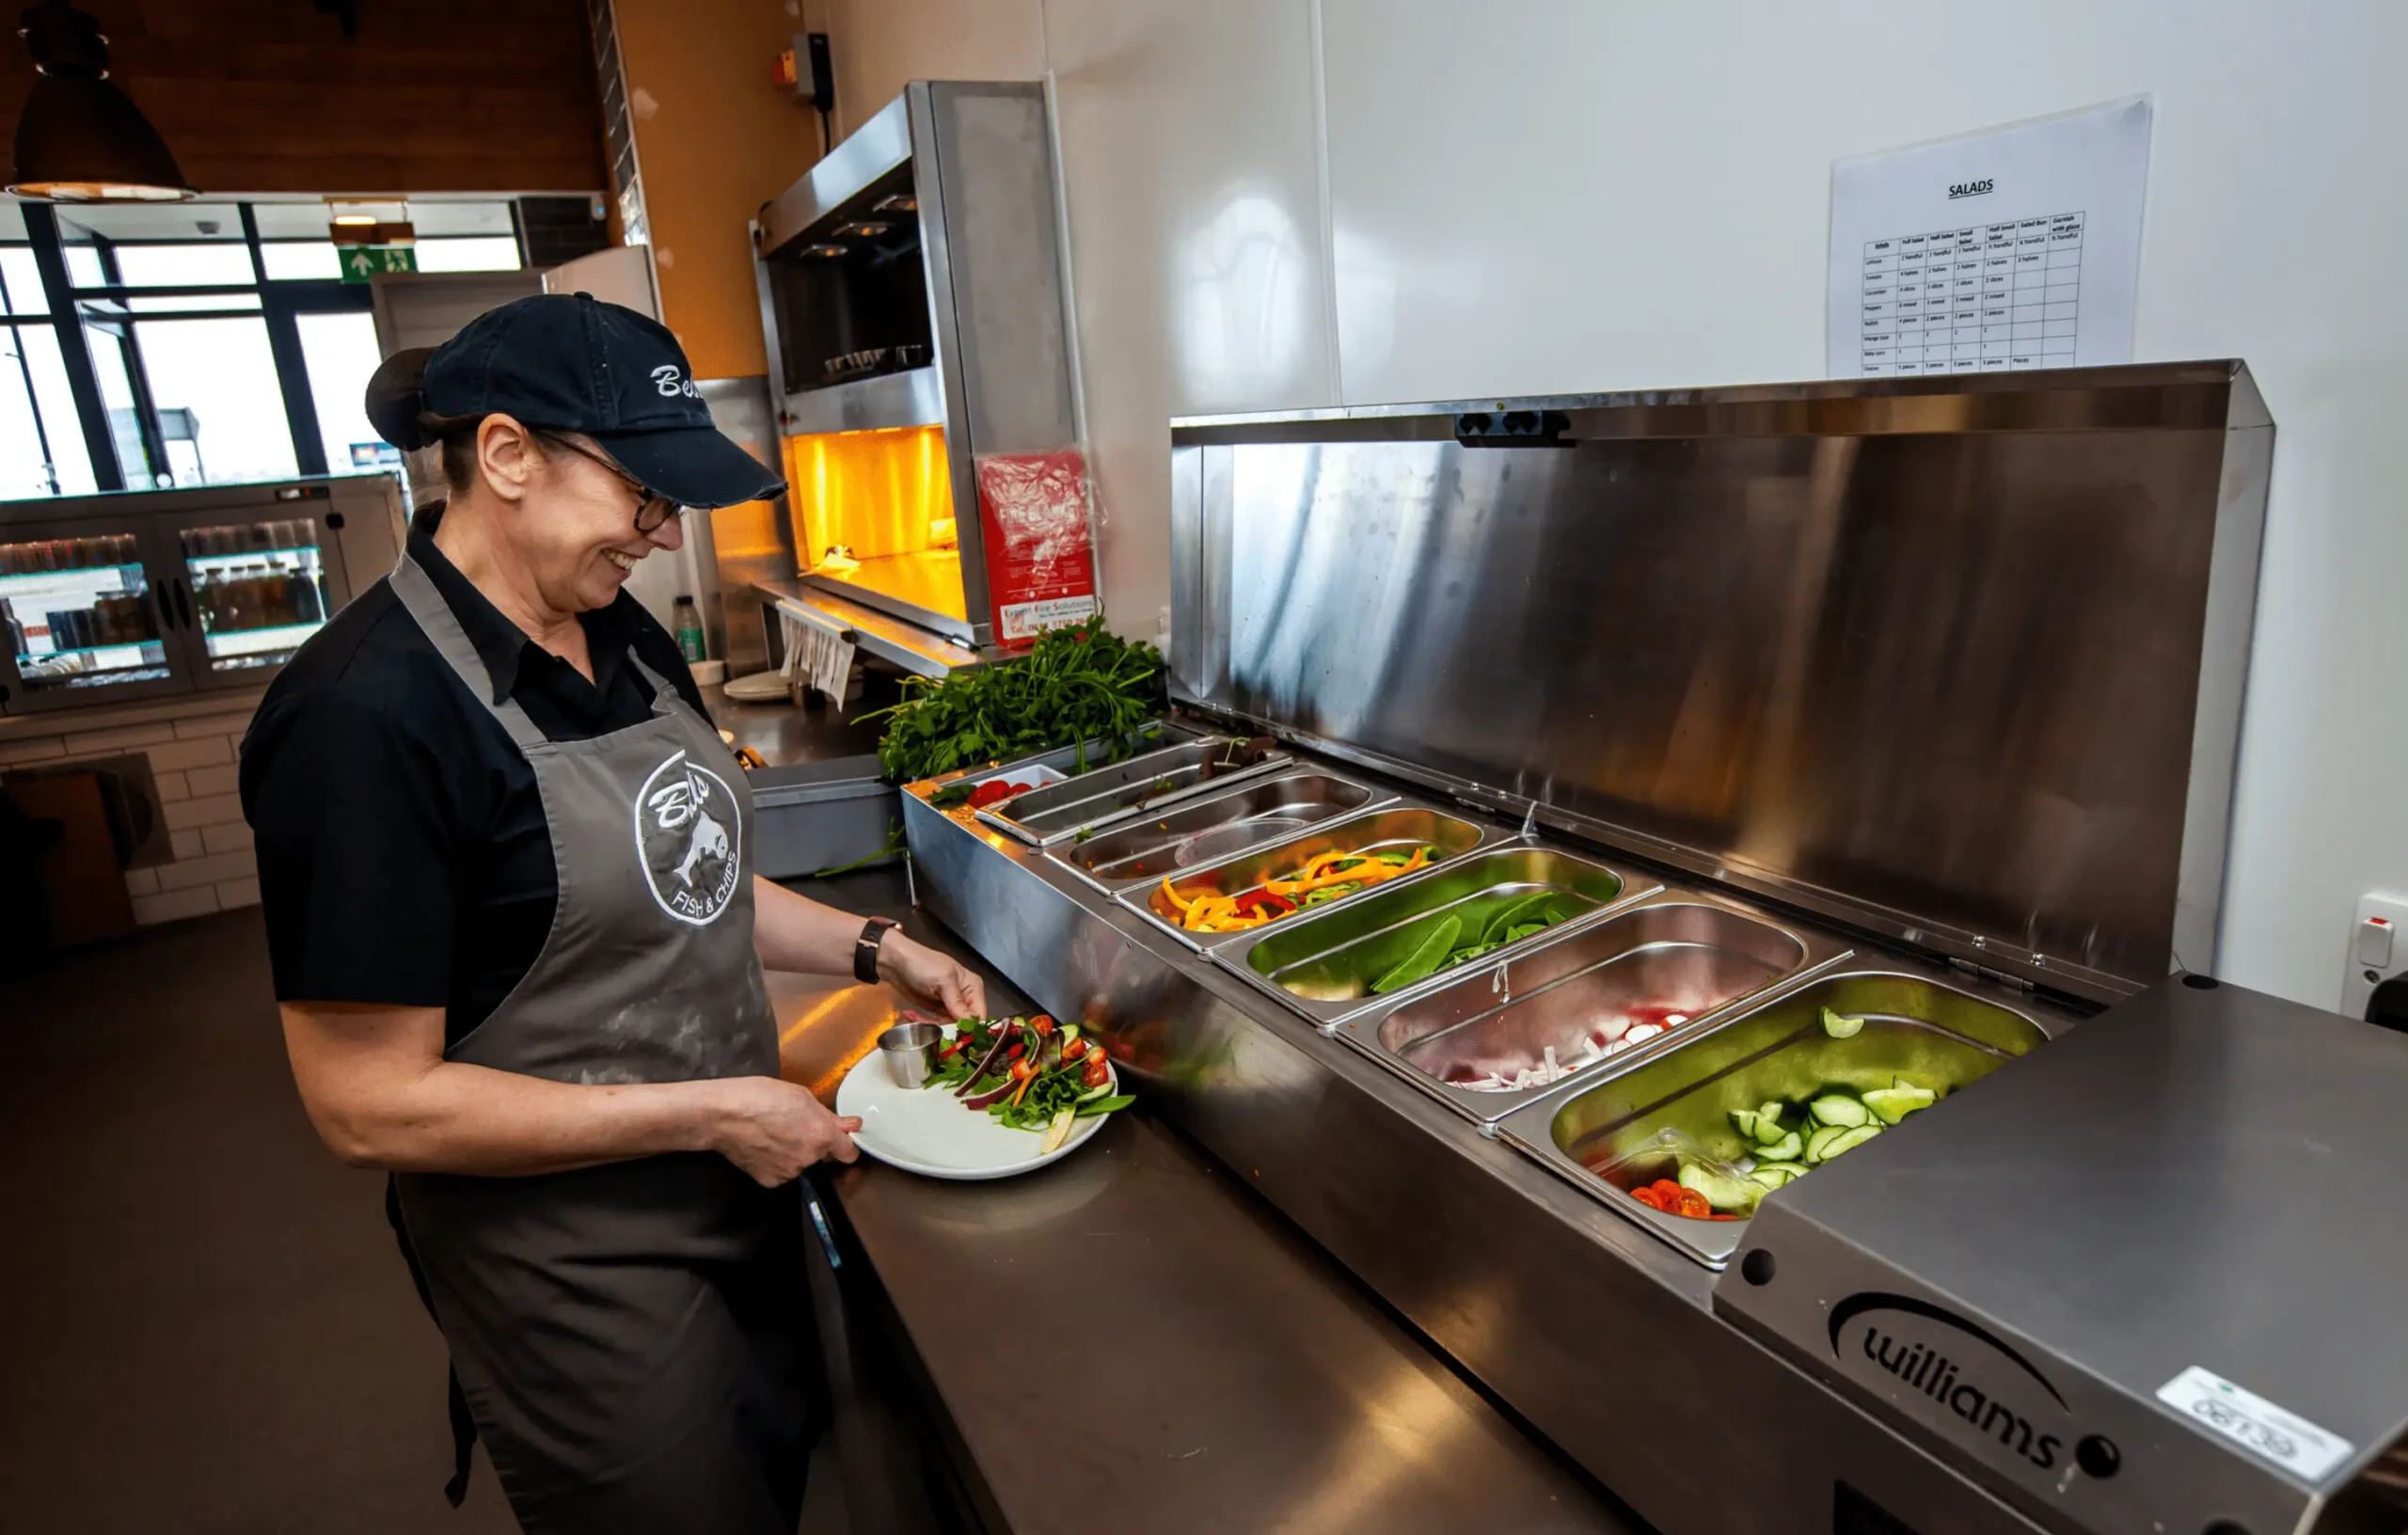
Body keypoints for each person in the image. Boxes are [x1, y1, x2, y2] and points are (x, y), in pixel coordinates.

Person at [239, 293, 984, 1532]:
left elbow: (684, 887)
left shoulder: (614, 628)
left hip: (738, 1188)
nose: (657, 528)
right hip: (576, 1275)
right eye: (640, 487)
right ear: (507, 456)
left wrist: (874, 948)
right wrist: (709, 1113)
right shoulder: (362, 721)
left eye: (670, 500)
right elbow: (363, 1102)